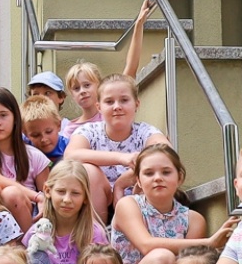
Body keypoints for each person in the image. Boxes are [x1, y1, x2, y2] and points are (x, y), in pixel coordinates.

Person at [112, 143, 236, 264]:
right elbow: (146, 245)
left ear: (180, 178)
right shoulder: (128, 205)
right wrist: (209, 243)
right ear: (138, 180)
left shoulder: (193, 219)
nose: (157, 178)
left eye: (166, 172)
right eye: (149, 173)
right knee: (162, 258)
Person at [65, 72, 169, 220]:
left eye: (124, 100)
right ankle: (97, 235)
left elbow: (166, 152)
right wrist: (122, 158)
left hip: (136, 198)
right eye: (109, 102)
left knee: (155, 169)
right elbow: (71, 154)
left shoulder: (144, 131)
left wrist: (124, 182)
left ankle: (146, 230)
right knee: (88, 170)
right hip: (99, 200)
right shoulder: (89, 131)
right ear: (99, 107)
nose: (117, 107)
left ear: (136, 104)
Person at [24, 159, 110, 264]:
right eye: (61, 191)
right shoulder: (40, 229)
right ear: (48, 191)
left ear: (85, 197)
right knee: (35, 257)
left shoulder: (94, 233)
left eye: (75, 193)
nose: (67, 200)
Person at [0, 86, 51, 231]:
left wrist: (43, 200)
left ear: (15, 118)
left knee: (12, 195)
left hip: (27, 216)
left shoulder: (34, 156)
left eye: (3, 115)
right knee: (9, 193)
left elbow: (49, 192)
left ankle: (27, 248)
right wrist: (38, 197)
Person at [61, 61, 104, 141]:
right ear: (72, 95)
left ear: (99, 86)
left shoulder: (109, 117)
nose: (82, 91)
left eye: (87, 85)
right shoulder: (70, 130)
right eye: (76, 88)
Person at [21, 94, 67, 163]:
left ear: (59, 125)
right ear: (25, 133)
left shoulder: (68, 146)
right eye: (35, 135)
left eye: (48, 131)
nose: (44, 139)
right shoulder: (24, 144)